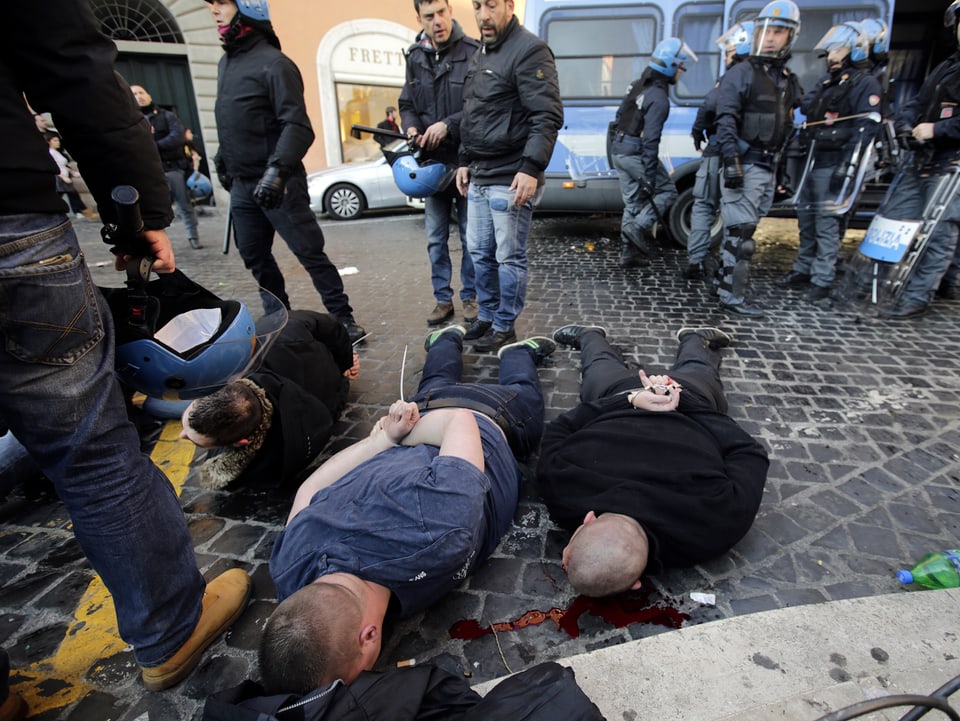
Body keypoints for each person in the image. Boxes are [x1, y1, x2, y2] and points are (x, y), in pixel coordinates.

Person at [1, 0, 250, 693]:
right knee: (91, 449)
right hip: (11, 223)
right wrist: (137, 215)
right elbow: (71, 62)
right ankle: (170, 631)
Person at [261, 325, 554, 692]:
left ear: (369, 638)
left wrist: (394, 437)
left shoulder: (440, 531)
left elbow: (459, 423)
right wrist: (385, 440)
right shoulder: (289, 570)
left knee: (525, 395)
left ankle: (517, 352)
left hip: (485, 413)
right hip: (425, 411)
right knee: (436, 378)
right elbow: (311, 489)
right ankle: (444, 339)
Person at [537, 325, 769, 598]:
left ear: (637, 583)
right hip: (644, 396)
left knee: (698, 371)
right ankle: (600, 335)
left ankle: (694, 339)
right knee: (600, 365)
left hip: (642, 397)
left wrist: (635, 399)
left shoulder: (716, 526)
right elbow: (561, 428)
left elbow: (747, 452)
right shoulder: (560, 488)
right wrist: (675, 397)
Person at [206, 0, 365, 343]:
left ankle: (343, 318)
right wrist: (223, 159)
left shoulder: (275, 64)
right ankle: (277, 316)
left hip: (280, 183)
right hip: (243, 185)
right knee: (255, 256)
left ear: (247, 8)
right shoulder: (225, 64)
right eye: (211, 4)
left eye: (222, 3)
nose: (214, 10)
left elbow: (298, 125)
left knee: (309, 252)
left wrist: (277, 171)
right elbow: (233, 121)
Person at [455, 0, 562, 353]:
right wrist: (464, 159)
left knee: (508, 257)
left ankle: (504, 325)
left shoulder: (529, 49)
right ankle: (486, 316)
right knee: (479, 253)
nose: (483, 15)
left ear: (509, 5)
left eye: (491, 5)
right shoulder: (483, 52)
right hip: (481, 173)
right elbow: (473, 114)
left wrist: (532, 167)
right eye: (476, 6)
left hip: (511, 175)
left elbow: (546, 115)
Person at [179, 310, 359, 491]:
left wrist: (346, 362)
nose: (182, 435)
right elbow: (328, 325)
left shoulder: (266, 466)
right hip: (333, 384)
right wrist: (346, 361)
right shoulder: (272, 336)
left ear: (241, 443)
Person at [777, 22, 882, 303]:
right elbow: (807, 106)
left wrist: (847, 169)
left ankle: (821, 278)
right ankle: (802, 269)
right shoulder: (828, 83)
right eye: (831, 51)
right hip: (814, 159)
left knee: (826, 224)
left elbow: (865, 129)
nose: (832, 57)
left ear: (854, 50)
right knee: (807, 221)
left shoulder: (865, 83)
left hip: (836, 162)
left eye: (838, 50)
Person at [715, 0, 803, 317]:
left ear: (789, 36)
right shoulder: (742, 73)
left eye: (778, 32)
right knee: (741, 236)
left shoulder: (786, 80)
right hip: (745, 161)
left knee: (743, 231)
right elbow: (725, 119)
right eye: (766, 31)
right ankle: (731, 296)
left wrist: (783, 175)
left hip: (768, 165)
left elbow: (788, 127)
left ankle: (722, 283)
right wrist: (731, 161)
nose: (769, 38)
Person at [400, 0, 480, 328]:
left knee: (471, 238)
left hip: (464, 162)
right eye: (429, 16)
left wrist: (448, 123)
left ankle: (471, 297)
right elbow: (407, 102)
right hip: (431, 167)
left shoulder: (473, 51)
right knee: (435, 238)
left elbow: (479, 105)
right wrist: (412, 127)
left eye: (442, 13)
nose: (438, 21)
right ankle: (442, 300)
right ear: (419, 18)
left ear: (450, 12)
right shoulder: (414, 57)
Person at [880, 0, 960, 319]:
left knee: (939, 233)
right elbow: (916, 103)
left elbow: (940, 121)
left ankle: (917, 296)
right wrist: (904, 125)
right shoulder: (947, 66)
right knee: (902, 225)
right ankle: (887, 287)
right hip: (923, 160)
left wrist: (937, 129)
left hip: (952, 164)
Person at [610, 38, 695, 268]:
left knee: (633, 202)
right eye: (680, 67)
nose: (681, 72)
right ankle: (637, 228)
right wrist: (649, 175)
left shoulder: (637, 85)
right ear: (669, 66)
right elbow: (651, 139)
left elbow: (619, 118)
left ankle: (630, 255)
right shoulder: (658, 97)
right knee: (667, 191)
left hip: (619, 150)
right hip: (635, 152)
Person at [685, 23, 752, 281]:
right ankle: (726, 270)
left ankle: (696, 261)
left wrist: (697, 131)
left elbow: (709, 105)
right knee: (732, 213)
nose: (726, 57)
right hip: (737, 155)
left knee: (703, 207)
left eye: (729, 51)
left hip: (716, 151)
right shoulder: (753, 77)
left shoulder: (732, 76)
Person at [130, 84, 202, 250]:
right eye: (134, 94)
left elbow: (177, 137)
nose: (139, 96)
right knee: (150, 210)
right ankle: (155, 244)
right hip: (148, 171)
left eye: (141, 92)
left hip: (171, 168)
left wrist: (151, 145)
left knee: (185, 205)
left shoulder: (166, 116)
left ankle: (193, 236)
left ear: (149, 95)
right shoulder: (132, 120)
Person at [45, 132, 98, 222]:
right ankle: (86, 212)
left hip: (64, 177)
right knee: (71, 196)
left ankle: (83, 212)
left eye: (58, 140)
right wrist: (62, 176)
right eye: (55, 140)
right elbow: (53, 167)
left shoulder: (57, 152)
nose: (58, 142)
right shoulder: (50, 153)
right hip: (59, 179)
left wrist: (73, 172)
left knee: (67, 196)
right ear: (49, 142)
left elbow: (62, 165)